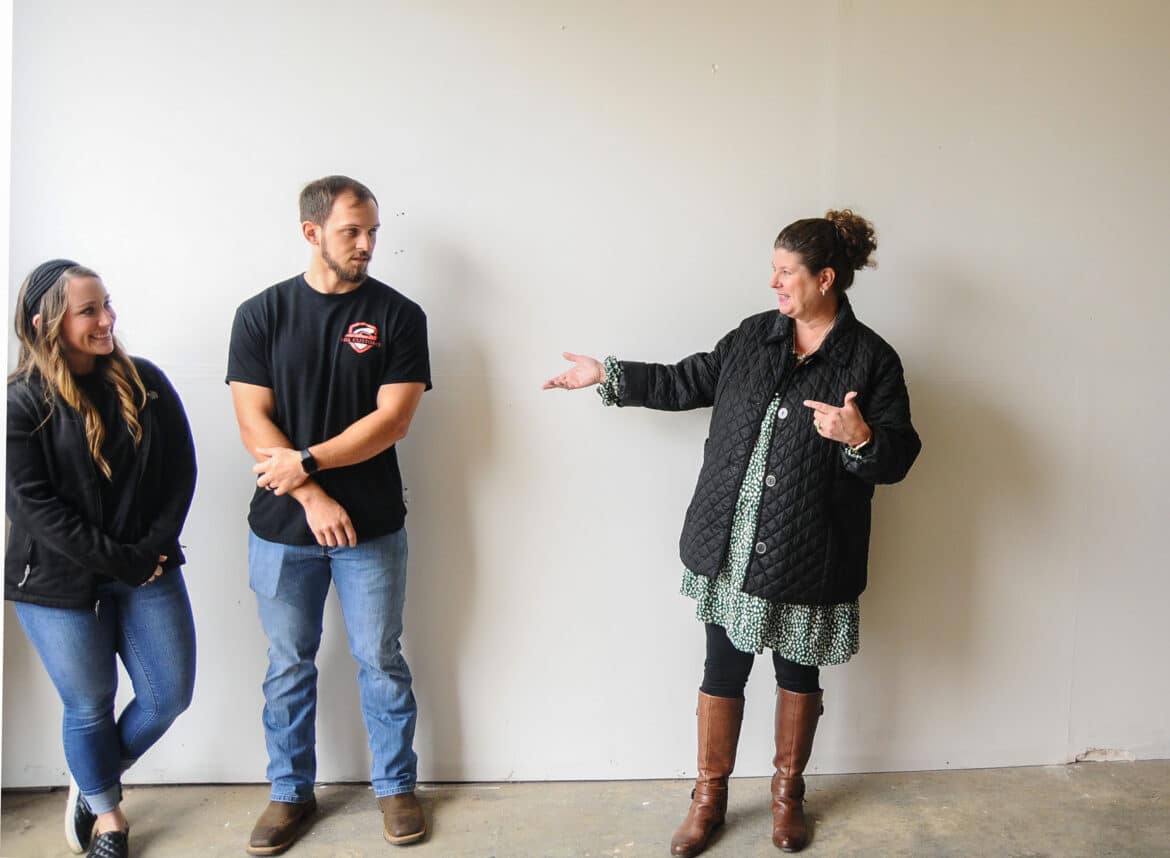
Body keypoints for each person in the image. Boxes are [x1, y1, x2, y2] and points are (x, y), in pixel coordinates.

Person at [544, 210, 921, 855]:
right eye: (773, 270)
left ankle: (787, 797)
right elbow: (685, 380)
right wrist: (607, 373)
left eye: (786, 272)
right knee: (722, 670)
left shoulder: (872, 358)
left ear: (825, 278)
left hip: (811, 548)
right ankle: (708, 798)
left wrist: (860, 438)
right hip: (732, 543)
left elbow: (901, 455)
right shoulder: (753, 336)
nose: (773, 283)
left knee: (798, 676)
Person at [227, 175, 432, 854]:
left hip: (371, 527)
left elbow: (392, 420)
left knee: (380, 659)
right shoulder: (260, 314)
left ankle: (395, 787)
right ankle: (289, 793)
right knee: (288, 664)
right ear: (311, 232)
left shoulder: (400, 315)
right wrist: (311, 494)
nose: (366, 244)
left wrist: (308, 462)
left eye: (373, 231)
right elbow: (252, 420)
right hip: (282, 528)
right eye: (352, 231)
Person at [6, 259, 198, 858]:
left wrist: (152, 550)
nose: (107, 319)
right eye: (88, 311)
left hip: (147, 567)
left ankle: (92, 777)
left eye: (106, 304)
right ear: (45, 323)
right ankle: (110, 819)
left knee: (169, 695)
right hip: (56, 584)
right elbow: (33, 506)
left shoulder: (146, 381)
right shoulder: (21, 402)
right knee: (89, 706)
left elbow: (180, 472)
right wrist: (124, 561)